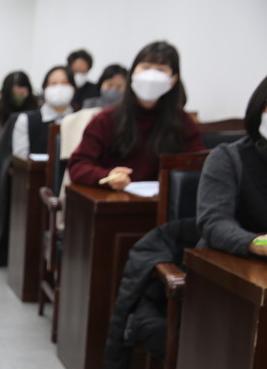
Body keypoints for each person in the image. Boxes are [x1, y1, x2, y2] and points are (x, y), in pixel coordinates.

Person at [68, 41, 203, 191]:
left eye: (161, 69)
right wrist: (107, 176)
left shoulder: (182, 122)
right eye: (145, 67)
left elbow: (197, 165)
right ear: (132, 74)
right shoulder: (106, 119)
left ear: (173, 81)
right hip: (113, 204)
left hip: (163, 205)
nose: (151, 75)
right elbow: (77, 166)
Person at [196, 74, 267, 257]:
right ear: (260, 107)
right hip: (230, 264)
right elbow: (214, 222)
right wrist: (255, 243)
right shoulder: (228, 158)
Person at [12, 65, 75, 159]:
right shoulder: (26, 120)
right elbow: (21, 159)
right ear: (45, 88)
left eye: (64, 83)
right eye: (53, 83)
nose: (59, 88)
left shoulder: (82, 120)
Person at [0, 71, 37, 156]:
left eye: (22, 94)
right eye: (15, 94)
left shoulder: (36, 109)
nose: (18, 97)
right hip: (3, 156)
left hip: (29, 155)